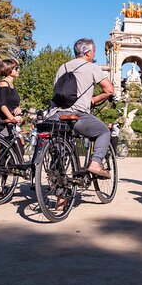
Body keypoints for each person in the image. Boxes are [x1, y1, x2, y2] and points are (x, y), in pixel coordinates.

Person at [48, 38, 115, 179]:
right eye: (94, 51)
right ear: (87, 52)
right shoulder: (91, 67)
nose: (94, 54)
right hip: (77, 115)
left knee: (60, 148)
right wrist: (93, 100)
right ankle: (95, 163)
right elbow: (109, 90)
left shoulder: (63, 67)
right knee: (103, 131)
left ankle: (59, 189)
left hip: (55, 114)